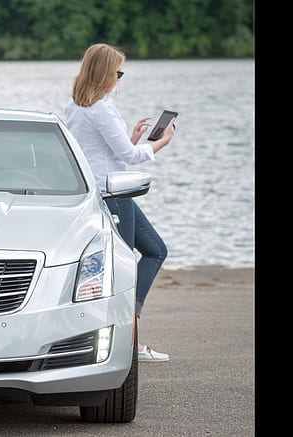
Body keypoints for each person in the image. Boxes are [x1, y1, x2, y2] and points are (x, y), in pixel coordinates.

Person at [65, 43, 175, 362]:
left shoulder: (77, 105)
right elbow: (127, 158)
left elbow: (103, 152)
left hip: (106, 189)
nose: (118, 78)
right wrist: (161, 143)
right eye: (118, 72)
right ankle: (125, 340)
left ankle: (130, 327)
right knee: (122, 269)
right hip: (114, 193)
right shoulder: (99, 107)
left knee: (155, 250)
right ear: (104, 73)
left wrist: (133, 137)